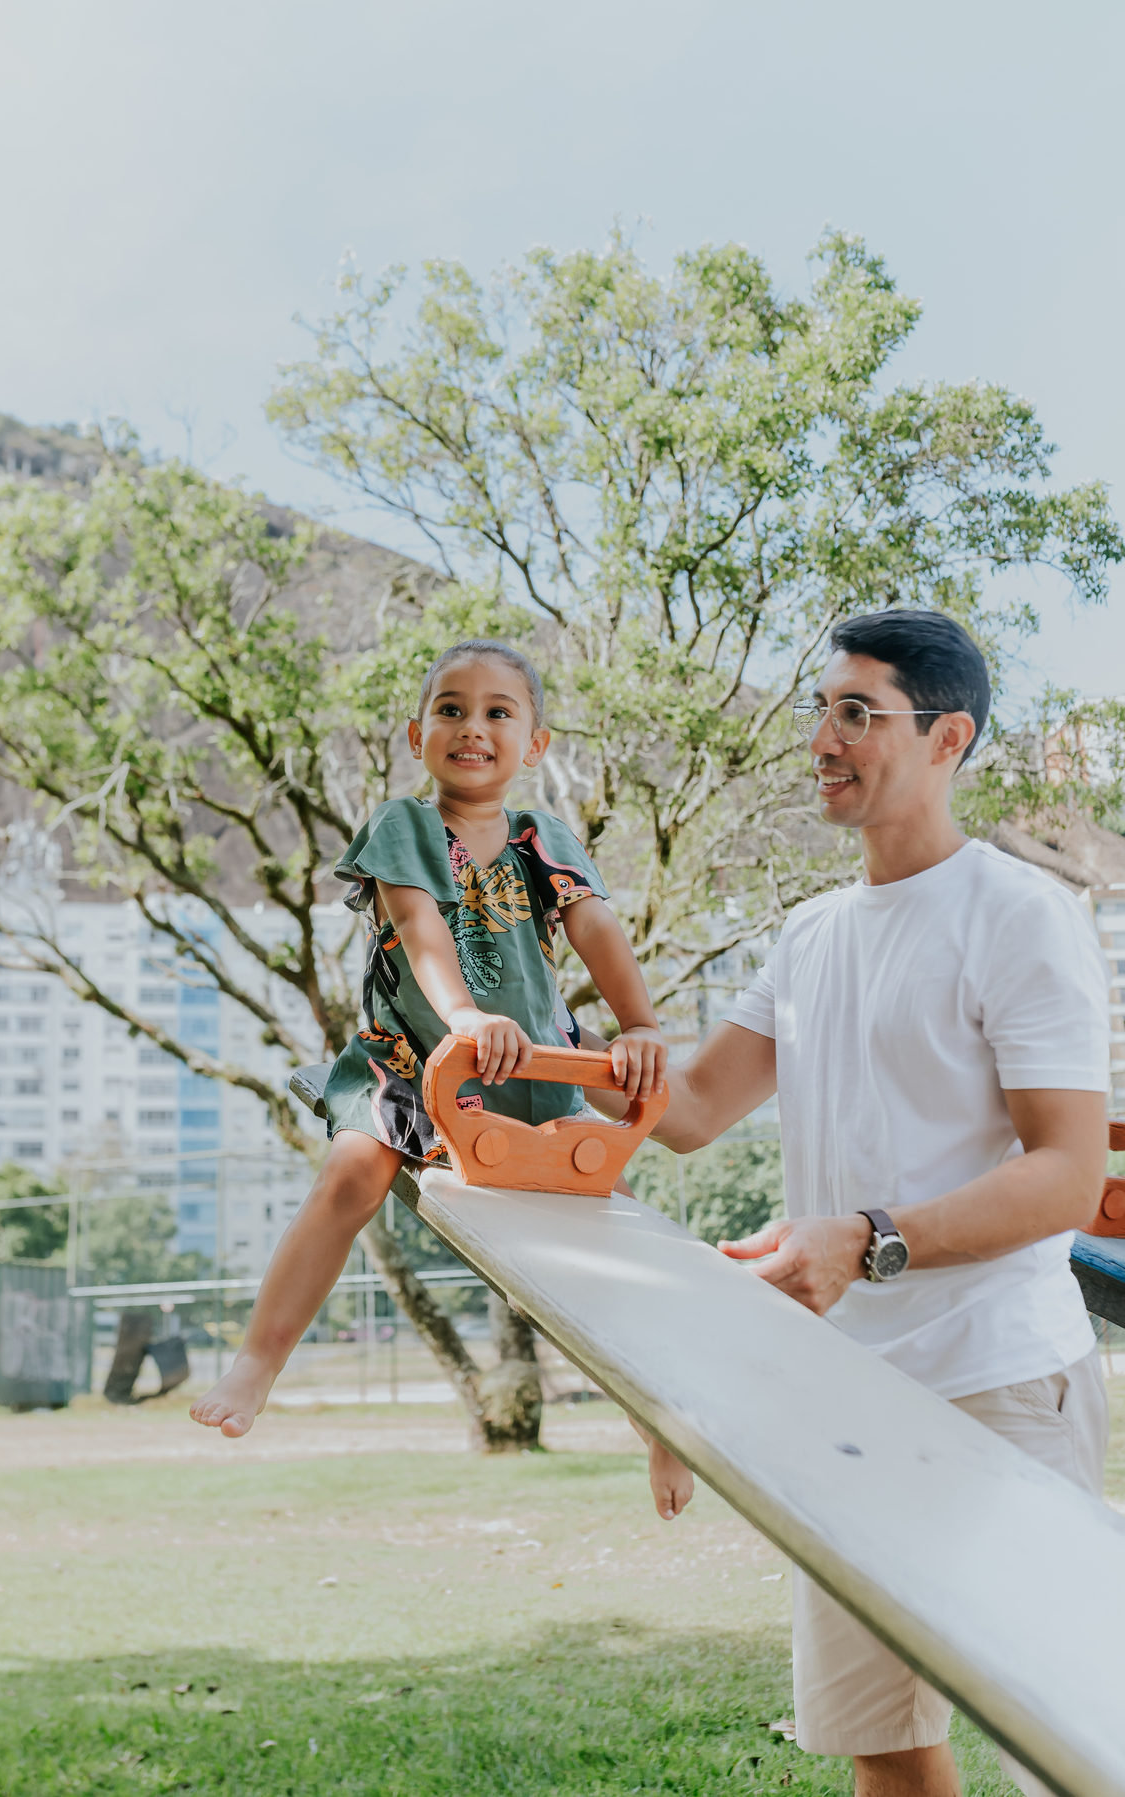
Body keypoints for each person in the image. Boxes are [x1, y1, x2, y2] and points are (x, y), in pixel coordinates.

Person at [629, 610, 1110, 1797]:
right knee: (881, 1736)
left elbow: (1067, 1171)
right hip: (842, 1395)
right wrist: (533, 1060)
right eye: (821, 709)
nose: (822, 739)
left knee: (1072, 1744)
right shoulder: (808, 937)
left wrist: (869, 1238)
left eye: (858, 713)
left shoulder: (1018, 913)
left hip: (998, 1381)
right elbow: (686, 1110)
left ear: (948, 739)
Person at [190, 638, 667, 1439]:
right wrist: (466, 1016)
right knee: (350, 1178)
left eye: (497, 712)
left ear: (535, 745)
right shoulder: (404, 824)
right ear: (419, 736)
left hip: (534, 1073)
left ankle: (659, 1419)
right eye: (450, 710)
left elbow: (597, 930)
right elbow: (419, 930)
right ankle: (258, 1360)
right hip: (413, 1062)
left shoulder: (543, 838)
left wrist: (641, 1022)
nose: (471, 727)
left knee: (615, 1229)